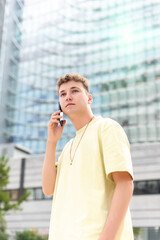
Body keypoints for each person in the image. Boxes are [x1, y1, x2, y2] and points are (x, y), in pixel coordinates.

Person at [42, 73, 134, 240]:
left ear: (89, 98)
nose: (68, 96)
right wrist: (51, 142)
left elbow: (125, 184)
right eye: (62, 94)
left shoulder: (106, 127)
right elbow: (48, 189)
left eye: (74, 91)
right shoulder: (67, 147)